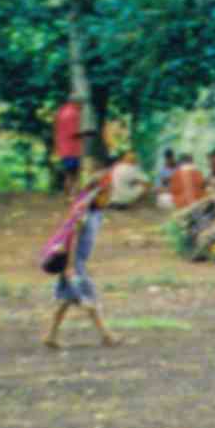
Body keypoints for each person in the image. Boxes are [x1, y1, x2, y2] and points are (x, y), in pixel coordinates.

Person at [44, 142, 146, 351]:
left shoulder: (95, 213)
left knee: (65, 300)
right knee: (88, 300)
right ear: (99, 193)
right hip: (74, 265)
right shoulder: (84, 214)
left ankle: (50, 336)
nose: (109, 197)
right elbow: (71, 239)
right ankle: (107, 336)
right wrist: (72, 266)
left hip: (74, 265)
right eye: (107, 193)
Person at [51, 97, 85, 192]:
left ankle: (69, 193)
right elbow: (73, 132)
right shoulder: (73, 114)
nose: (82, 107)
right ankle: (72, 194)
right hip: (72, 149)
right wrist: (85, 133)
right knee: (74, 173)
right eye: (81, 104)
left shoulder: (62, 111)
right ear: (76, 103)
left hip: (63, 148)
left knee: (68, 172)